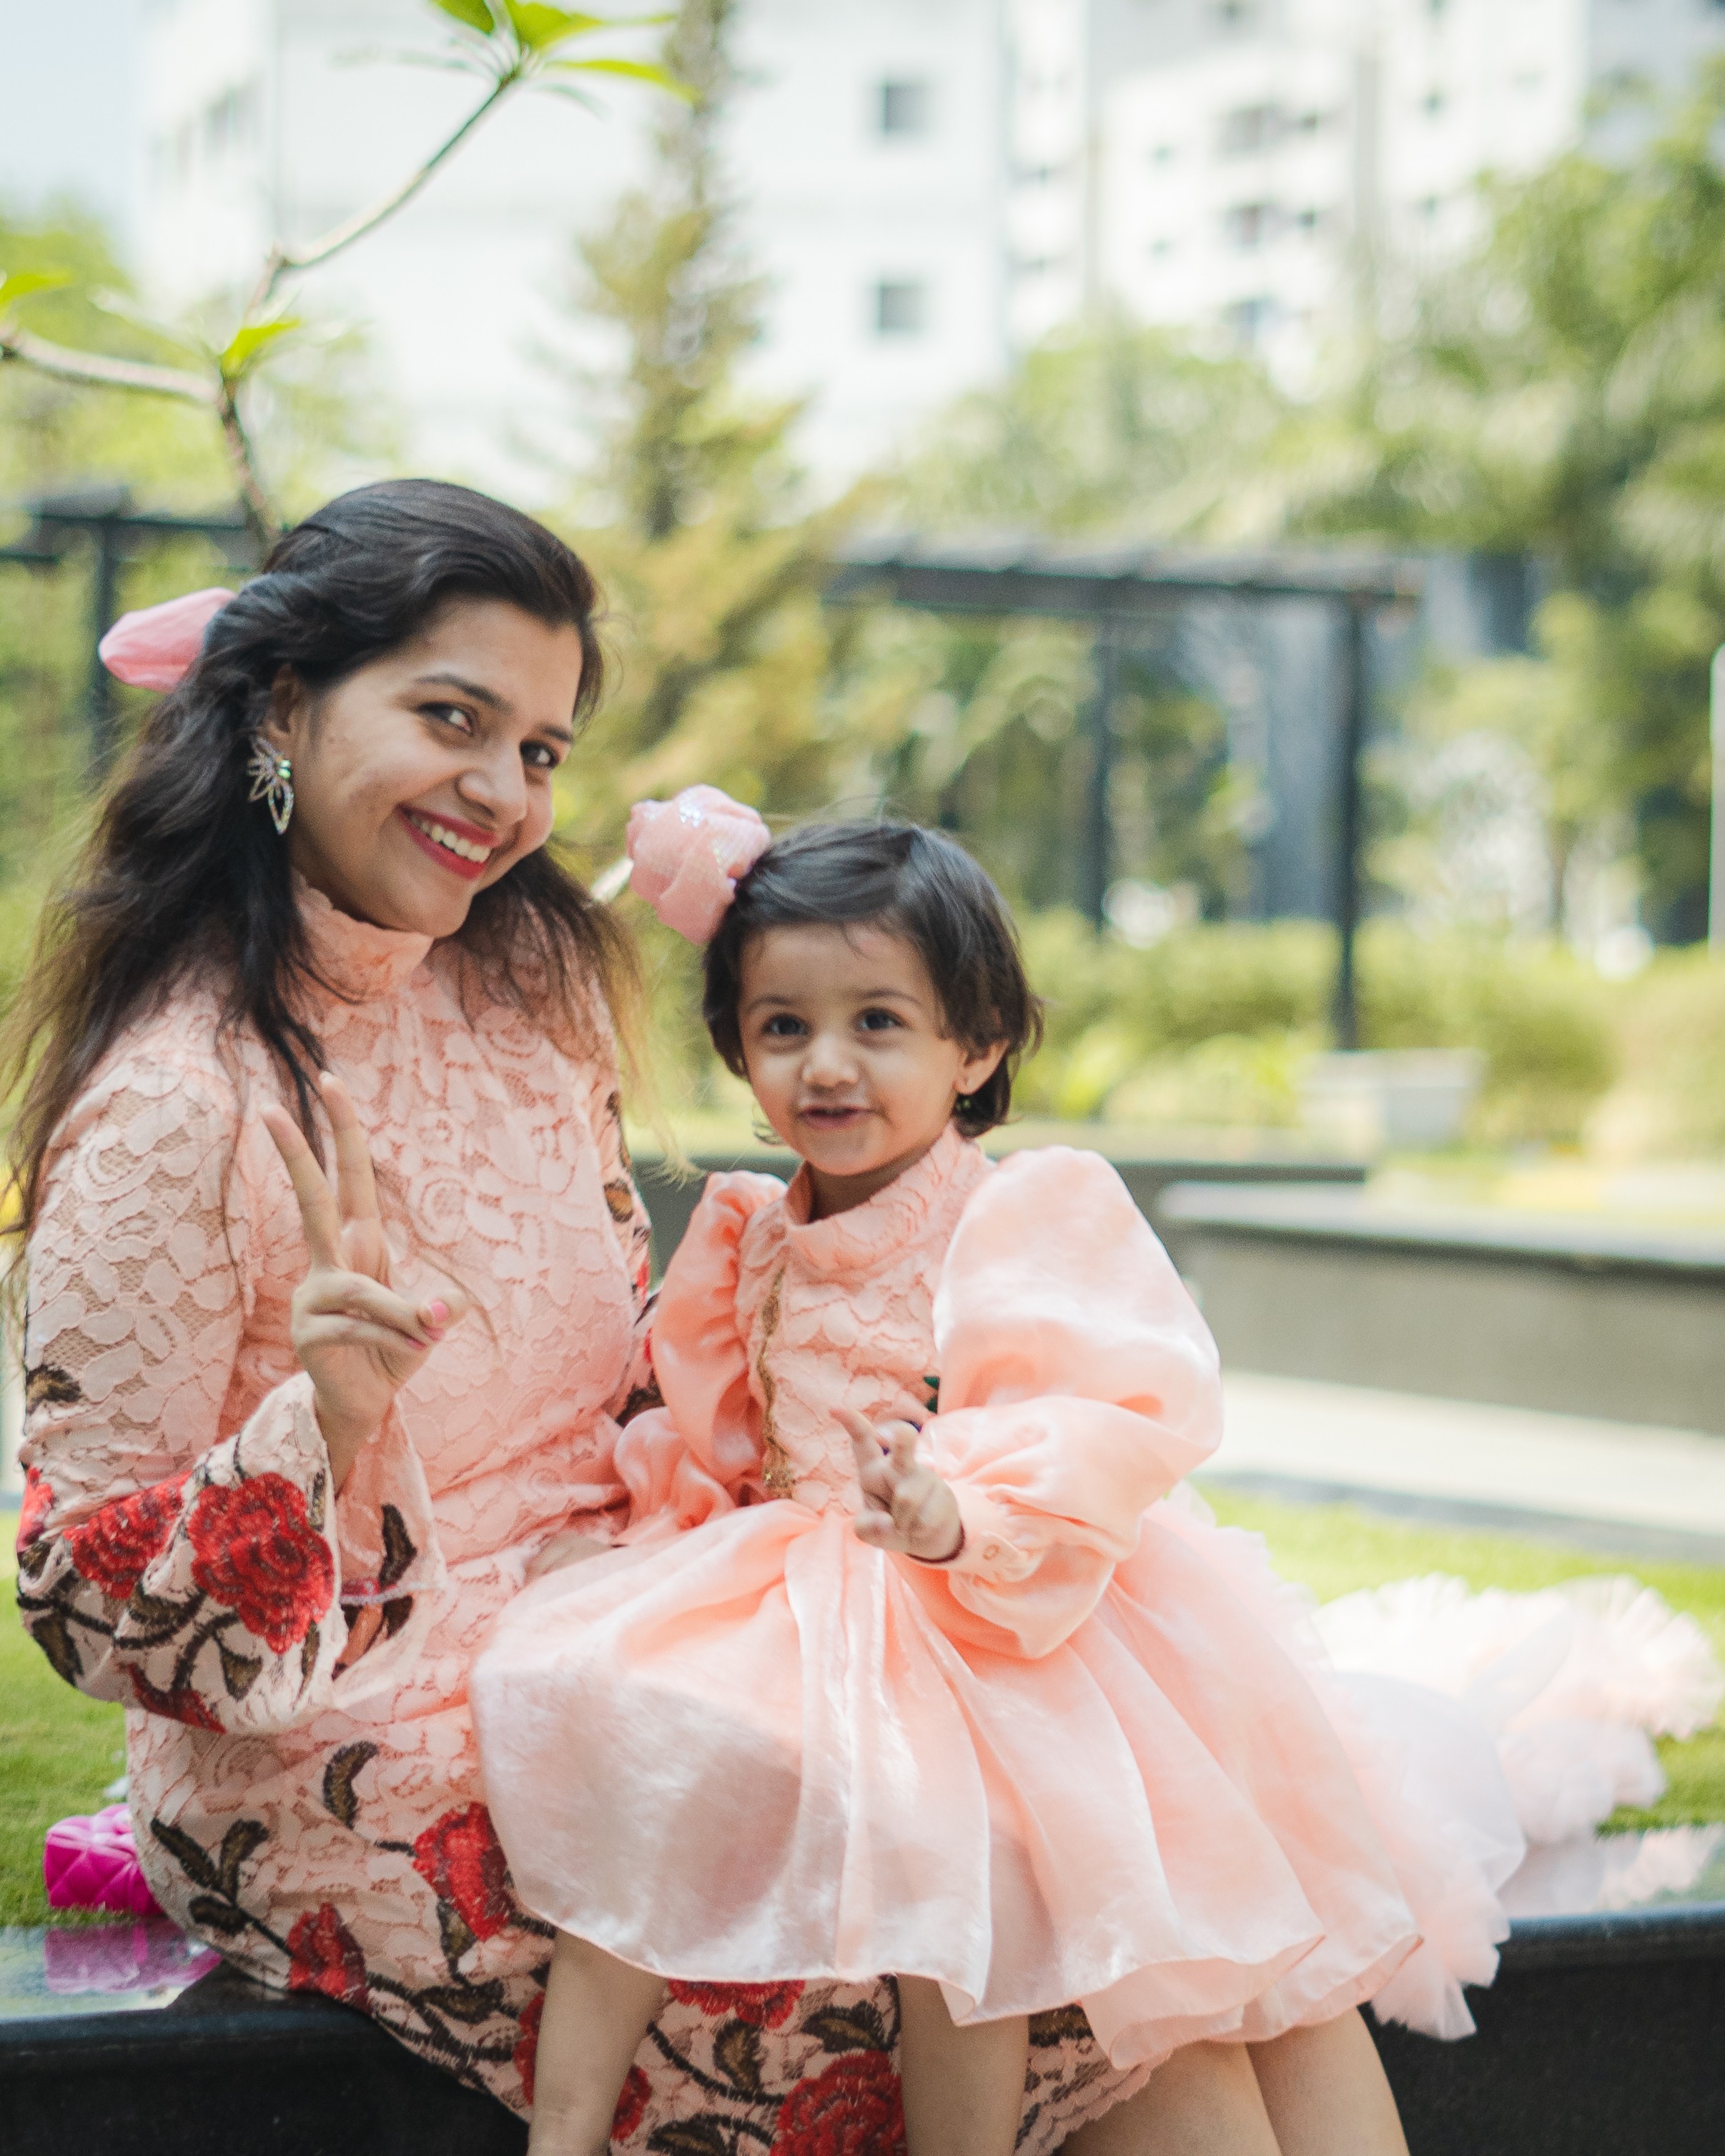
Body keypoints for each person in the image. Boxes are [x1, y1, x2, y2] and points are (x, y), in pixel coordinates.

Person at [9, 483, 1359, 2156]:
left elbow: (649, 1368)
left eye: (542, 750)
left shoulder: (528, 983)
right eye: (452, 719)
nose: (503, 795)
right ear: (282, 706)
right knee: (1086, 1990)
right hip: (359, 1752)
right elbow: (80, 1599)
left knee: (1203, 1934)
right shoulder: (171, 1100)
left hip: (632, 1628)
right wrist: (322, 1427)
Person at [466, 805, 1458, 2156]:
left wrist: (955, 1508)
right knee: (648, 1762)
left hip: (1000, 1604)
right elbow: (720, 1437)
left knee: (983, 1872)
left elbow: (1099, 1412)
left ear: (973, 1046)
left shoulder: (1013, 1217)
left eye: (879, 1022)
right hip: (804, 1581)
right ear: (736, 1050)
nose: (827, 1065)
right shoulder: (751, 1237)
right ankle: (564, 2127)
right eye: (781, 1028)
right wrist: (649, 1533)